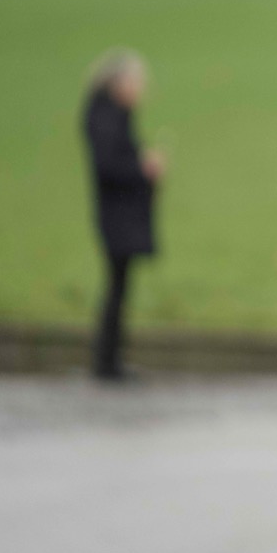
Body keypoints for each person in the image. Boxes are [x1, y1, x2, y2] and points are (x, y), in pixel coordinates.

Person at [83, 48, 164, 380]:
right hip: (117, 215)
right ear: (119, 83)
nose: (140, 89)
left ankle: (111, 359)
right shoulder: (106, 117)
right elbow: (108, 166)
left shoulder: (113, 115)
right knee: (116, 287)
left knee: (119, 286)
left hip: (121, 214)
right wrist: (143, 168)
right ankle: (107, 362)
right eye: (136, 82)